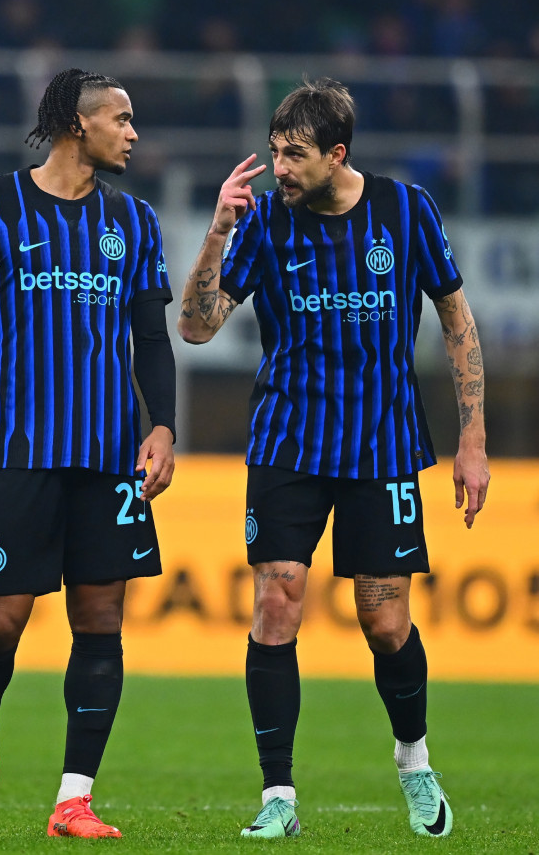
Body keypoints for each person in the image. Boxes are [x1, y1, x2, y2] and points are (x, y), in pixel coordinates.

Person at [177, 77, 489, 840]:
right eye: (275, 152)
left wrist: (472, 440)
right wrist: (217, 231)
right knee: (276, 602)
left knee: (382, 621)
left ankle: (413, 763)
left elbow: (455, 319)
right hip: (288, 442)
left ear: (336, 154)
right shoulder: (263, 221)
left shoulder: (405, 210)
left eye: (294, 155)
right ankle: (277, 795)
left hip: (382, 446)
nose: (279, 169)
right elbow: (196, 326)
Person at [0, 67, 176, 838]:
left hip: (109, 456)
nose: (132, 133)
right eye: (121, 119)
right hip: (15, 452)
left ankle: (74, 799)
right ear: (79, 125)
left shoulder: (134, 221)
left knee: (101, 619)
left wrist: (163, 427)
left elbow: (151, 338)